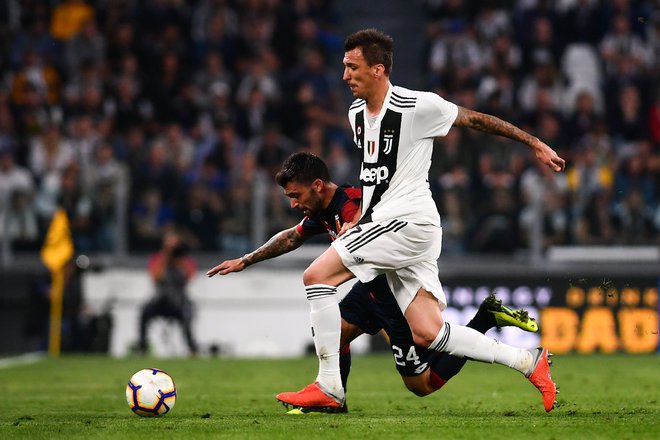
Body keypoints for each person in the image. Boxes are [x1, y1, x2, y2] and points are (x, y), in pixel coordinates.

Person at [275, 29, 565, 413]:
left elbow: (476, 120)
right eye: (344, 66)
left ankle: (329, 386)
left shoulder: (416, 106)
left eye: (352, 67)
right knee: (427, 333)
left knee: (316, 276)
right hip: (388, 226)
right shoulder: (356, 115)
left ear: (378, 69)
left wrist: (535, 144)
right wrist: (361, 221)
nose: (344, 75)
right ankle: (529, 362)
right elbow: (375, 179)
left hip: (409, 223)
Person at [207, 152, 539, 413]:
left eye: (296, 195)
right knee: (331, 333)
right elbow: (292, 238)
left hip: (396, 297)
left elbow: (362, 214)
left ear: (318, 185)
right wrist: (246, 260)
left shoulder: (352, 200)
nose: (294, 204)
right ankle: (335, 399)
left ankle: (485, 319)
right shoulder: (320, 211)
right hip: (368, 292)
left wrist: (354, 229)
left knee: (422, 385)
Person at [138, 229, 198, 356]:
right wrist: (166, 257)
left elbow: (189, 277)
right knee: (144, 312)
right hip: (161, 300)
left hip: (179, 300)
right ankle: (142, 347)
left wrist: (178, 260)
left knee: (188, 313)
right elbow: (156, 278)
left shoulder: (185, 259)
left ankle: (192, 348)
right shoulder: (157, 258)